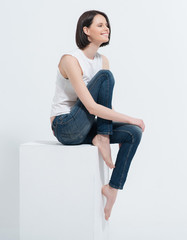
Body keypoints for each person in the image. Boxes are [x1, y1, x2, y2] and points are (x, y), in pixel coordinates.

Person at [50, 10, 145, 221]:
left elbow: (104, 105)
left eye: (107, 25)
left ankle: (113, 189)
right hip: (65, 126)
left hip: (87, 127)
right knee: (105, 78)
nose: (106, 28)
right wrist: (128, 118)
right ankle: (101, 138)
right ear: (86, 30)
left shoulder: (103, 60)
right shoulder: (69, 60)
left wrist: (128, 124)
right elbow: (92, 107)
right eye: (100, 25)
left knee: (133, 133)